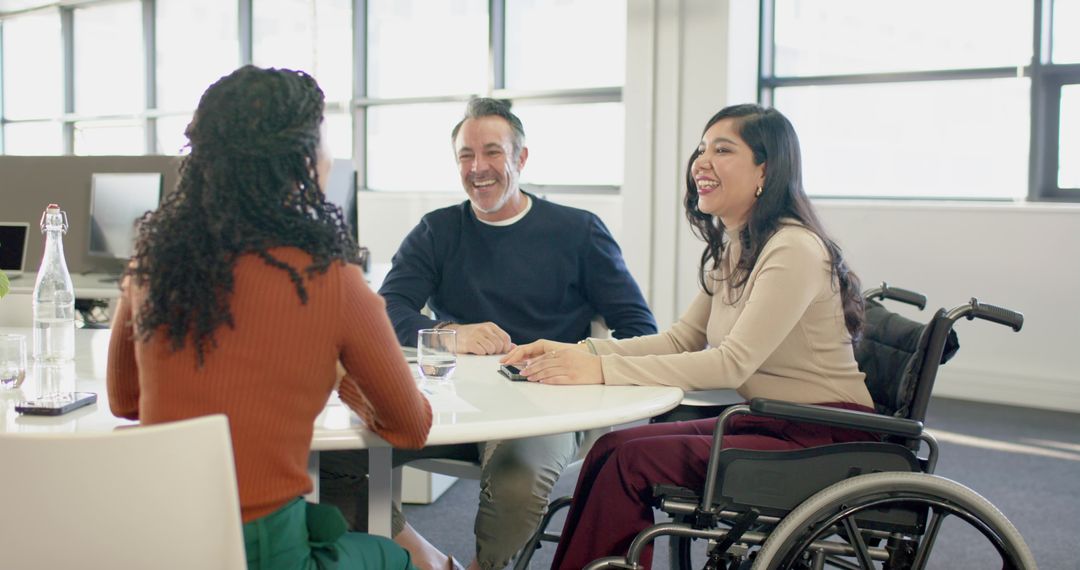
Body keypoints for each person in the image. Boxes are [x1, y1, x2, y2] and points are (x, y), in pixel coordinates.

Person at [501, 104, 877, 570]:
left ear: (766, 169)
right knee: (610, 449)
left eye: (722, 149)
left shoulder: (794, 248)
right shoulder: (737, 244)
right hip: (774, 420)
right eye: (701, 149)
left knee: (627, 461)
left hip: (824, 436)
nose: (701, 162)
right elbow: (682, 340)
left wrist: (599, 369)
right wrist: (579, 351)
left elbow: (729, 363)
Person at [107, 65, 432, 570]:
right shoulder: (334, 282)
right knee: (398, 559)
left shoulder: (151, 268)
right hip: (264, 554)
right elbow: (411, 427)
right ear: (301, 162)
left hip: (161, 543)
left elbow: (126, 401)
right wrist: (344, 381)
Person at [319, 97, 657, 570]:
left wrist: (571, 359)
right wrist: (447, 332)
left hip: (544, 408)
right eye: (466, 155)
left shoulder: (579, 232)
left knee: (518, 479)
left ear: (520, 158)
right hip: (452, 405)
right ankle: (431, 561)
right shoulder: (437, 231)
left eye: (493, 152)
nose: (479, 167)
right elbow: (385, 311)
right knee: (335, 458)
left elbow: (639, 328)